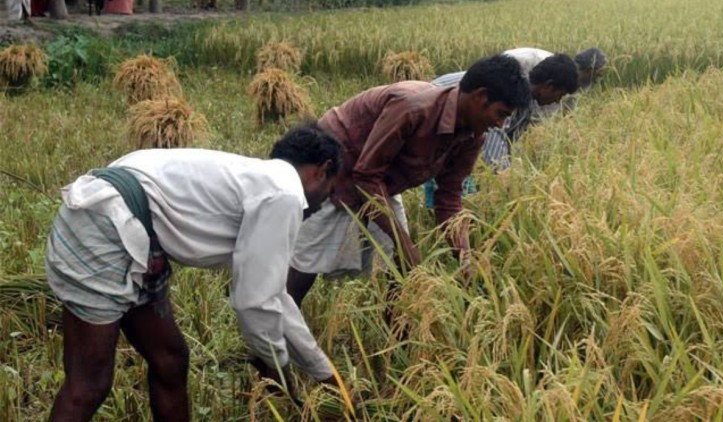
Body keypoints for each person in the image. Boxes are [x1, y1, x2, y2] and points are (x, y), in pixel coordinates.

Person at [46, 124, 343, 421]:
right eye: (330, 191)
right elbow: (254, 303)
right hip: (105, 226)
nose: (323, 204)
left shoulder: (263, 180)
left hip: (132, 230)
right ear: (322, 170)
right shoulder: (285, 194)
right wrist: (277, 367)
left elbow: (273, 295)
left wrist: (324, 374)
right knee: (89, 384)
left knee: (170, 361)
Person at [286, 54, 530, 309]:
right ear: (480, 96)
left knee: (402, 265)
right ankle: (276, 332)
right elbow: (365, 175)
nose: (500, 124)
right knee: (307, 262)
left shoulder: (473, 136)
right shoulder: (414, 107)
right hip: (336, 166)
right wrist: (404, 243)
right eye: (500, 113)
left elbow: (448, 197)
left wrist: (465, 257)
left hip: (380, 179)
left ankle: (398, 340)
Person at [423, 50, 579, 206]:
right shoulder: (507, 98)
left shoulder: (525, 101)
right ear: (549, 86)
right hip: (431, 112)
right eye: (560, 94)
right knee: (446, 183)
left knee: (458, 181)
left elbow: (508, 142)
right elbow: (496, 153)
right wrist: (507, 189)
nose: (557, 102)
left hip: (453, 124)